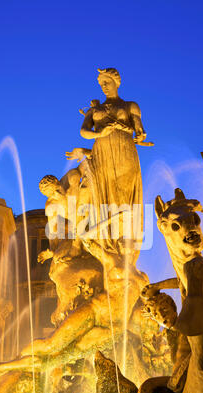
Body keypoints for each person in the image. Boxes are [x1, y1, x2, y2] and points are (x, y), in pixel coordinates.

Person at [80, 68, 146, 262]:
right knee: (104, 197)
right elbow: (84, 131)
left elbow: (140, 130)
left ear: (117, 82)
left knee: (123, 195)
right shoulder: (94, 110)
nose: (104, 86)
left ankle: (125, 242)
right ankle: (108, 243)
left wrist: (141, 136)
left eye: (107, 82)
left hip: (125, 152)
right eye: (101, 84)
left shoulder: (130, 105)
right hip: (102, 153)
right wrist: (99, 134)